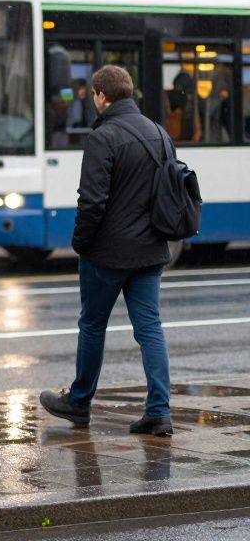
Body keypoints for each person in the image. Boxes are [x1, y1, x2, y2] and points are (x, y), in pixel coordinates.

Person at [40, 65, 174, 437]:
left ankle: (79, 402)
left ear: (100, 95)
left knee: (92, 325)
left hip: (108, 253)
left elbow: (92, 201)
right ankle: (159, 411)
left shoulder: (103, 137)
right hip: (151, 251)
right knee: (150, 328)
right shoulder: (159, 134)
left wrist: (80, 243)